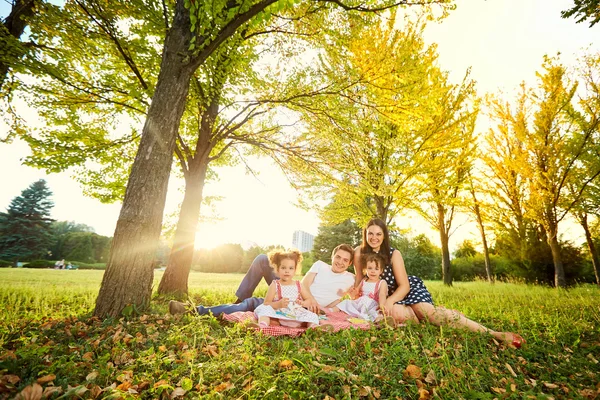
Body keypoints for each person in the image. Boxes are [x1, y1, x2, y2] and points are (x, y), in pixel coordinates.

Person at [354, 218, 526, 348]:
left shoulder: (393, 253)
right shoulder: (359, 252)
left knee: (429, 314)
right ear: (365, 234)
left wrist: (390, 301)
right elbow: (360, 282)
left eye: (378, 234)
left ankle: (493, 333)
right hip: (384, 296)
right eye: (370, 233)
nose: (374, 237)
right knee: (398, 315)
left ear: (384, 236)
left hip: (405, 290)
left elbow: (404, 285)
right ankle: (431, 315)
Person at [168, 244, 356, 317]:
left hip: (299, 306)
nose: (340, 262)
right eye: (338, 257)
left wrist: (317, 307)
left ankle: (194, 310)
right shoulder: (319, 265)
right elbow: (304, 284)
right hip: (293, 290)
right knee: (260, 259)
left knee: (254, 304)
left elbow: (340, 302)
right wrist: (309, 299)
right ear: (333, 256)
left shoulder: (351, 279)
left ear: (350, 263)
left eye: (345, 260)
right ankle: (239, 301)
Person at [252, 250, 320, 329]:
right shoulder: (275, 285)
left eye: (291, 268)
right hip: (279, 315)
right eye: (283, 268)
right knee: (263, 308)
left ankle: (314, 327)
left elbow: (309, 299)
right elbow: (266, 303)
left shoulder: (298, 285)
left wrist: (303, 303)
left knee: (313, 315)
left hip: (296, 315)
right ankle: (262, 325)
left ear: (295, 270)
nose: (287, 271)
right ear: (277, 269)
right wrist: (278, 304)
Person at [322, 252, 391, 324]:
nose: (373, 271)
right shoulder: (364, 280)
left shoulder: (381, 283)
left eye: (376, 269)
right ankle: (330, 310)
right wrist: (348, 292)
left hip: (372, 305)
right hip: (360, 303)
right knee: (346, 302)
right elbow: (356, 291)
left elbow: (382, 294)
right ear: (365, 269)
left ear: (381, 271)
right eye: (370, 268)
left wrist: (382, 305)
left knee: (377, 313)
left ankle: (379, 321)